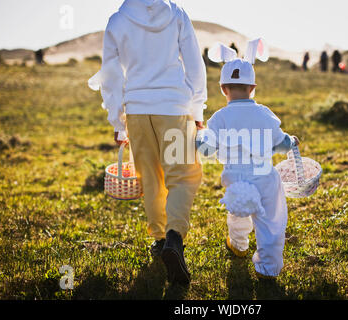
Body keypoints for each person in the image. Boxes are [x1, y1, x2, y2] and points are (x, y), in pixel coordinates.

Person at [88, 0, 207, 286]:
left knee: (150, 177)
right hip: (174, 107)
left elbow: (111, 74)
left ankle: (158, 238)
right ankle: (174, 237)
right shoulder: (176, 14)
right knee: (184, 175)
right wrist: (198, 107)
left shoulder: (117, 20)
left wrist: (117, 120)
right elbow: (194, 63)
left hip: (138, 110)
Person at [197, 41, 299, 279]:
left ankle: (238, 245)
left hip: (236, 178)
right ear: (252, 88)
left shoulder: (219, 118)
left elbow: (206, 150)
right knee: (271, 221)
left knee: (238, 212)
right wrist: (291, 142)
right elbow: (280, 143)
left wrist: (197, 139)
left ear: (223, 89)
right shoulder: (264, 114)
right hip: (264, 177)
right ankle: (268, 268)